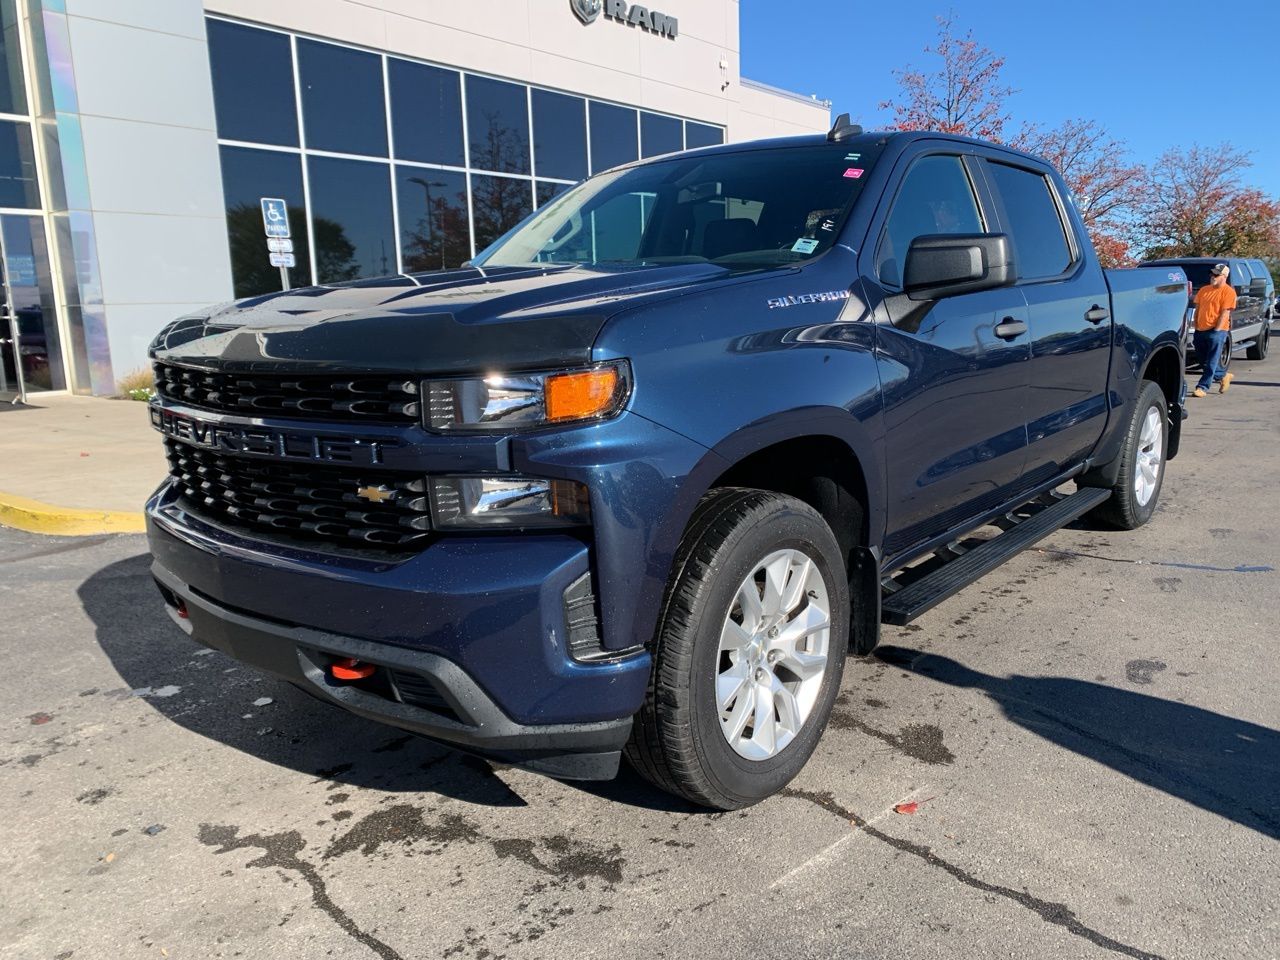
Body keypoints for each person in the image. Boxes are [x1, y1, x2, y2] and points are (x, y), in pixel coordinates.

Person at [1191, 263, 1237, 397]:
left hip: (1217, 330)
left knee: (1212, 359)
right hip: (1200, 329)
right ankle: (1223, 376)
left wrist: (1217, 330)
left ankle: (1202, 387)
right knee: (1202, 359)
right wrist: (1195, 324)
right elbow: (1198, 309)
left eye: (1216, 274)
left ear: (1224, 276)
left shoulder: (1228, 292)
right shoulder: (1204, 290)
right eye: (1212, 274)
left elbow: (1225, 313)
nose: (1213, 276)